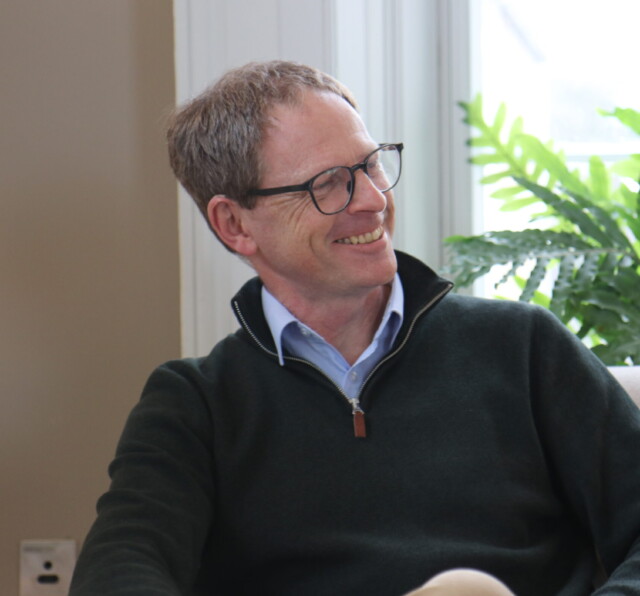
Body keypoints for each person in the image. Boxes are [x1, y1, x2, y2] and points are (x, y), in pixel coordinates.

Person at [69, 60, 640, 596]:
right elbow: (118, 571)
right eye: (329, 184)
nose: (373, 199)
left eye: (371, 164)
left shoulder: (523, 347)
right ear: (235, 224)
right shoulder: (194, 404)